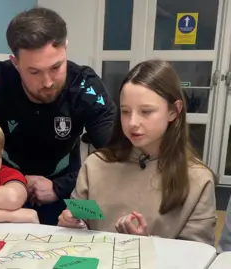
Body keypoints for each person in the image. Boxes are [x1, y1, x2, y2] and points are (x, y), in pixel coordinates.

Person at [0, 7, 117, 225]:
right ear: (15, 63)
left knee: (93, 232)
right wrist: (14, 181)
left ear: (65, 48)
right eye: (34, 72)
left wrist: (60, 187)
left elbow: (116, 158)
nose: (48, 82)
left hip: (68, 185)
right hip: (3, 186)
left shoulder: (85, 86)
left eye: (56, 67)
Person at [57, 60, 217, 245]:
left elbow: (197, 255)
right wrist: (71, 224)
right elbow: (78, 223)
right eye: (125, 111)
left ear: (174, 111)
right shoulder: (96, 164)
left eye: (146, 111)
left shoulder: (198, 179)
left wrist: (146, 244)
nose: (133, 122)